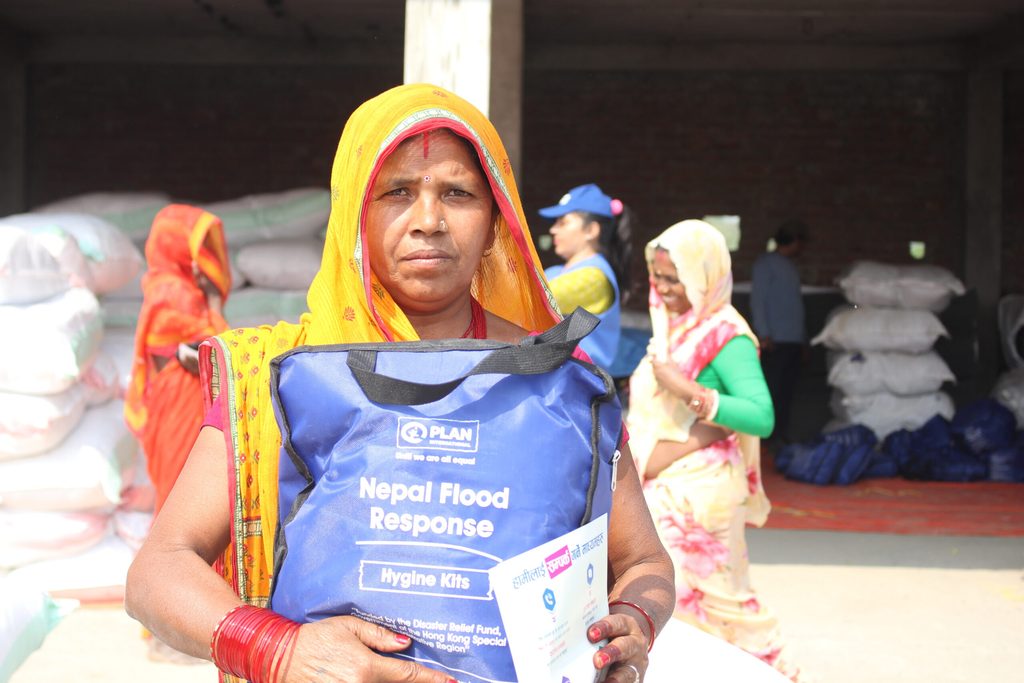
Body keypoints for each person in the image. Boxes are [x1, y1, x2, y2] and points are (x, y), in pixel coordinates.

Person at [124, 83, 674, 683]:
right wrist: (277, 650)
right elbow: (157, 571)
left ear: (495, 223)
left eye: (458, 193)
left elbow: (643, 559)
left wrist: (634, 619)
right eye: (398, 193)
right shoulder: (278, 375)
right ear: (355, 214)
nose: (429, 221)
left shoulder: (558, 381)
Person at [626, 220, 804, 681]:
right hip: (665, 486)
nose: (663, 288)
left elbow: (761, 415)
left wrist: (685, 389)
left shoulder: (726, 334)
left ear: (703, 275)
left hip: (700, 497)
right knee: (677, 605)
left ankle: (777, 673)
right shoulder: (676, 326)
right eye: (657, 276)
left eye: (673, 278)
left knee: (719, 604)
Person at [124, 204, 232, 516]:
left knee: (178, 500)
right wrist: (213, 301)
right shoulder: (175, 292)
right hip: (180, 407)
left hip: (172, 406)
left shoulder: (163, 286)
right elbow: (221, 349)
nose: (203, 259)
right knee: (183, 503)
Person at [538, 183, 634, 370]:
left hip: (579, 387)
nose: (553, 230)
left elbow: (532, 300)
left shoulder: (595, 276)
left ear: (591, 230)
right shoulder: (554, 271)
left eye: (563, 222)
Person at [750, 219, 808, 450]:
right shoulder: (765, 263)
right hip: (775, 340)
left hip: (792, 339)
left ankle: (779, 436)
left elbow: (797, 306)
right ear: (793, 241)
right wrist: (763, 334)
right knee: (771, 392)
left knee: (786, 392)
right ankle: (765, 441)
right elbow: (758, 300)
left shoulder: (789, 265)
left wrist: (803, 339)